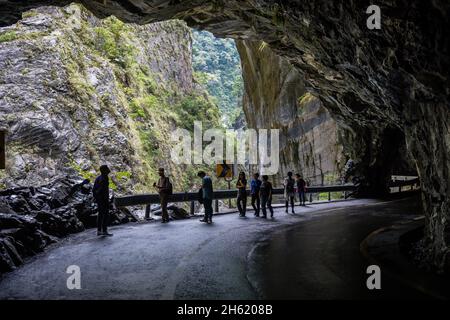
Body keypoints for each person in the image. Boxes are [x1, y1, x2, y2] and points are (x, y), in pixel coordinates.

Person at [93, 165, 113, 236]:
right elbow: (102, 190)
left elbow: (94, 190)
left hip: (100, 199)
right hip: (103, 199)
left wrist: (96, 198)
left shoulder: (98, 178)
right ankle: (104, 231)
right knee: (105, 215)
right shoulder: (104, 178)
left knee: (101, 214)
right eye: (107, 168)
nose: (109, 170)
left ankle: (99, 231)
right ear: (104, 170)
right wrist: (106, 200)